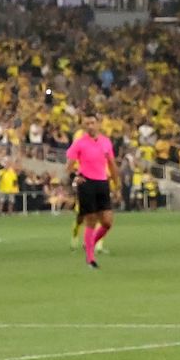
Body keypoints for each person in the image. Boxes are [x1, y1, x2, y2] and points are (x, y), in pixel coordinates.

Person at [67, 114, 118, 269]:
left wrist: (117, 184)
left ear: (98, 124)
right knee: (91, 220)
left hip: (102, 183)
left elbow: (112, 164)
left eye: (92, 123)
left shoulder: (105, 142)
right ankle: (91, 259)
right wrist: (75, 177)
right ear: (83, 126)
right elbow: (69, 165)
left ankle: (89, 243)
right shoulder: (79, 143)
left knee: (107, 221)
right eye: (87, 123)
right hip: (87, 183)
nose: (90, 126)